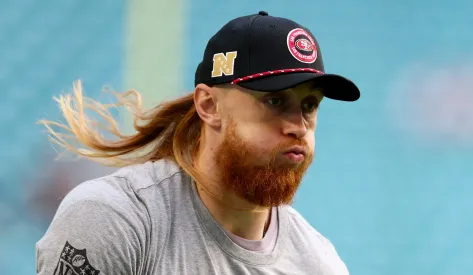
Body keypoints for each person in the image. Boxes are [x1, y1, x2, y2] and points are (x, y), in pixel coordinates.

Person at [36, 11, 360, 275]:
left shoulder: (319, 264)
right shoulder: (114, 219)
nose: (298, 127)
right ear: (209, 106)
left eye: (309, 105)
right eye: (275, 101)